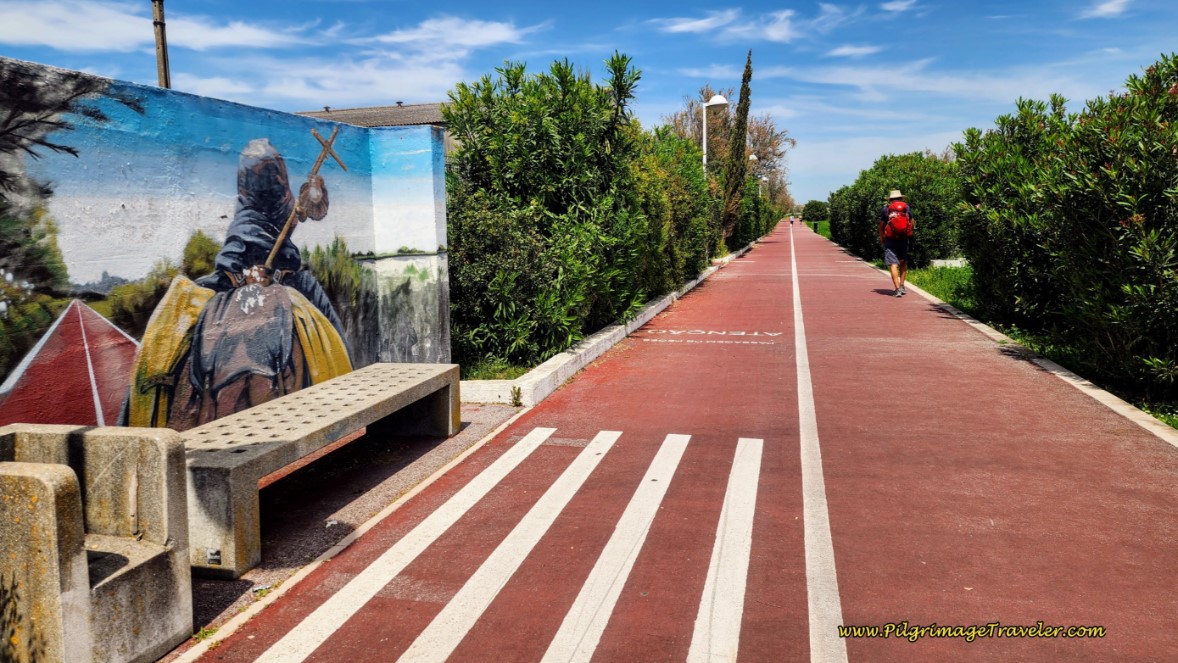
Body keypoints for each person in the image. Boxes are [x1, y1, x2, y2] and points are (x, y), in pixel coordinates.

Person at [879, 189, 913, 297]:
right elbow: (911, 222)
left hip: (890, 239)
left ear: (890, 200)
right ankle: (902, 286)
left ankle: (897, 289)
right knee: (903, 262)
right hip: (903, 238)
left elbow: (881, 225)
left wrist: (882, 237)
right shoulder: (906, 207)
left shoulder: (886, 209)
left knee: (893, 264)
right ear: (901, 198)